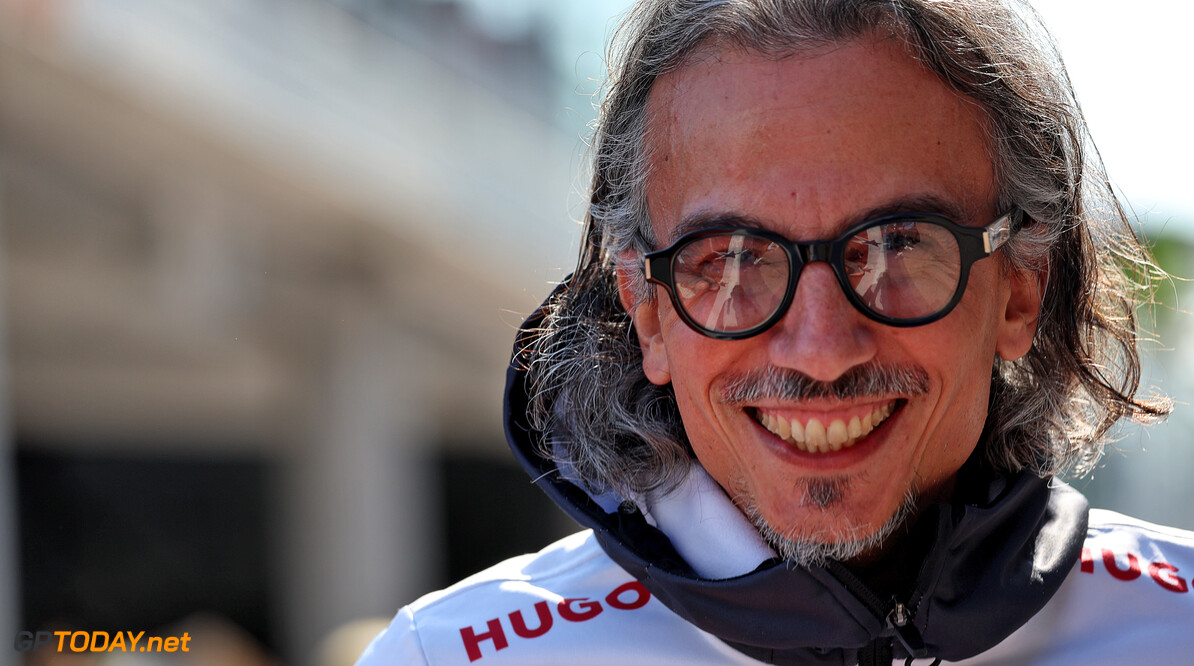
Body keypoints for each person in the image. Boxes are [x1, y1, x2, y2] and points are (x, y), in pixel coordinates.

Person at [359, 0, 1194, 664]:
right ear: (646, 312)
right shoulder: (450, 657)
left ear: (1020, 291)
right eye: (731, 259)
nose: (822, 350)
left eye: (899, 244)